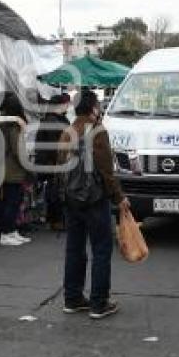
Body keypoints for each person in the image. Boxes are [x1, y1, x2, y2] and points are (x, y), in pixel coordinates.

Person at [57, 89, 131, 320]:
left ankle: (73, 298)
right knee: (101, 249)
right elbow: (106, 171)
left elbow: (60, 167)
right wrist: (119, 198)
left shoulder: (67, 131)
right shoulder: (97, 131)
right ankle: (99, 303)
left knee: (74, 249)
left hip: (71, 200)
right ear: (93, 109)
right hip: (94, 199)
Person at [0, 92, 33, 247]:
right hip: (12, 170)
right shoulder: (12, 125)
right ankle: (7, 233)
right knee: (12, 202)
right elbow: (18, 150)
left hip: (3, 169)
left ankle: (10, 231)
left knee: (8, 202)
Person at [35, 94, 71, 231]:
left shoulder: (53, 119)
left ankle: (55, 219)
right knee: (56, 192)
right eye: (66, 104)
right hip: (53, 162)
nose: (68, 106)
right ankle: (56, 220)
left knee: (55, 191)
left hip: (52, 161)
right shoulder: (53, 121)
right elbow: (52, 146)